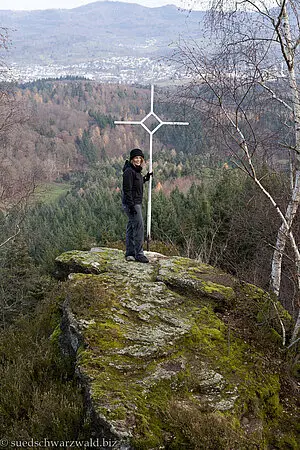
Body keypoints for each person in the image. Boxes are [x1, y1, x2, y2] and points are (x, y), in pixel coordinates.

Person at [122, 148, 153, 263]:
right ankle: (139, 254)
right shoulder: (129, 172)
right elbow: (127, 189)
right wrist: (131, 206)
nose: (138, 160)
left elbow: (136, 184)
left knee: (131, 227)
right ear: (131, 159)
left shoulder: (136, 171)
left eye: (140, 158)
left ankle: (130, 253)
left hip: (134, 203)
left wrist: (146, 178)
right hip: (132, 204)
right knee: (139, 228)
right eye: (136, 158)